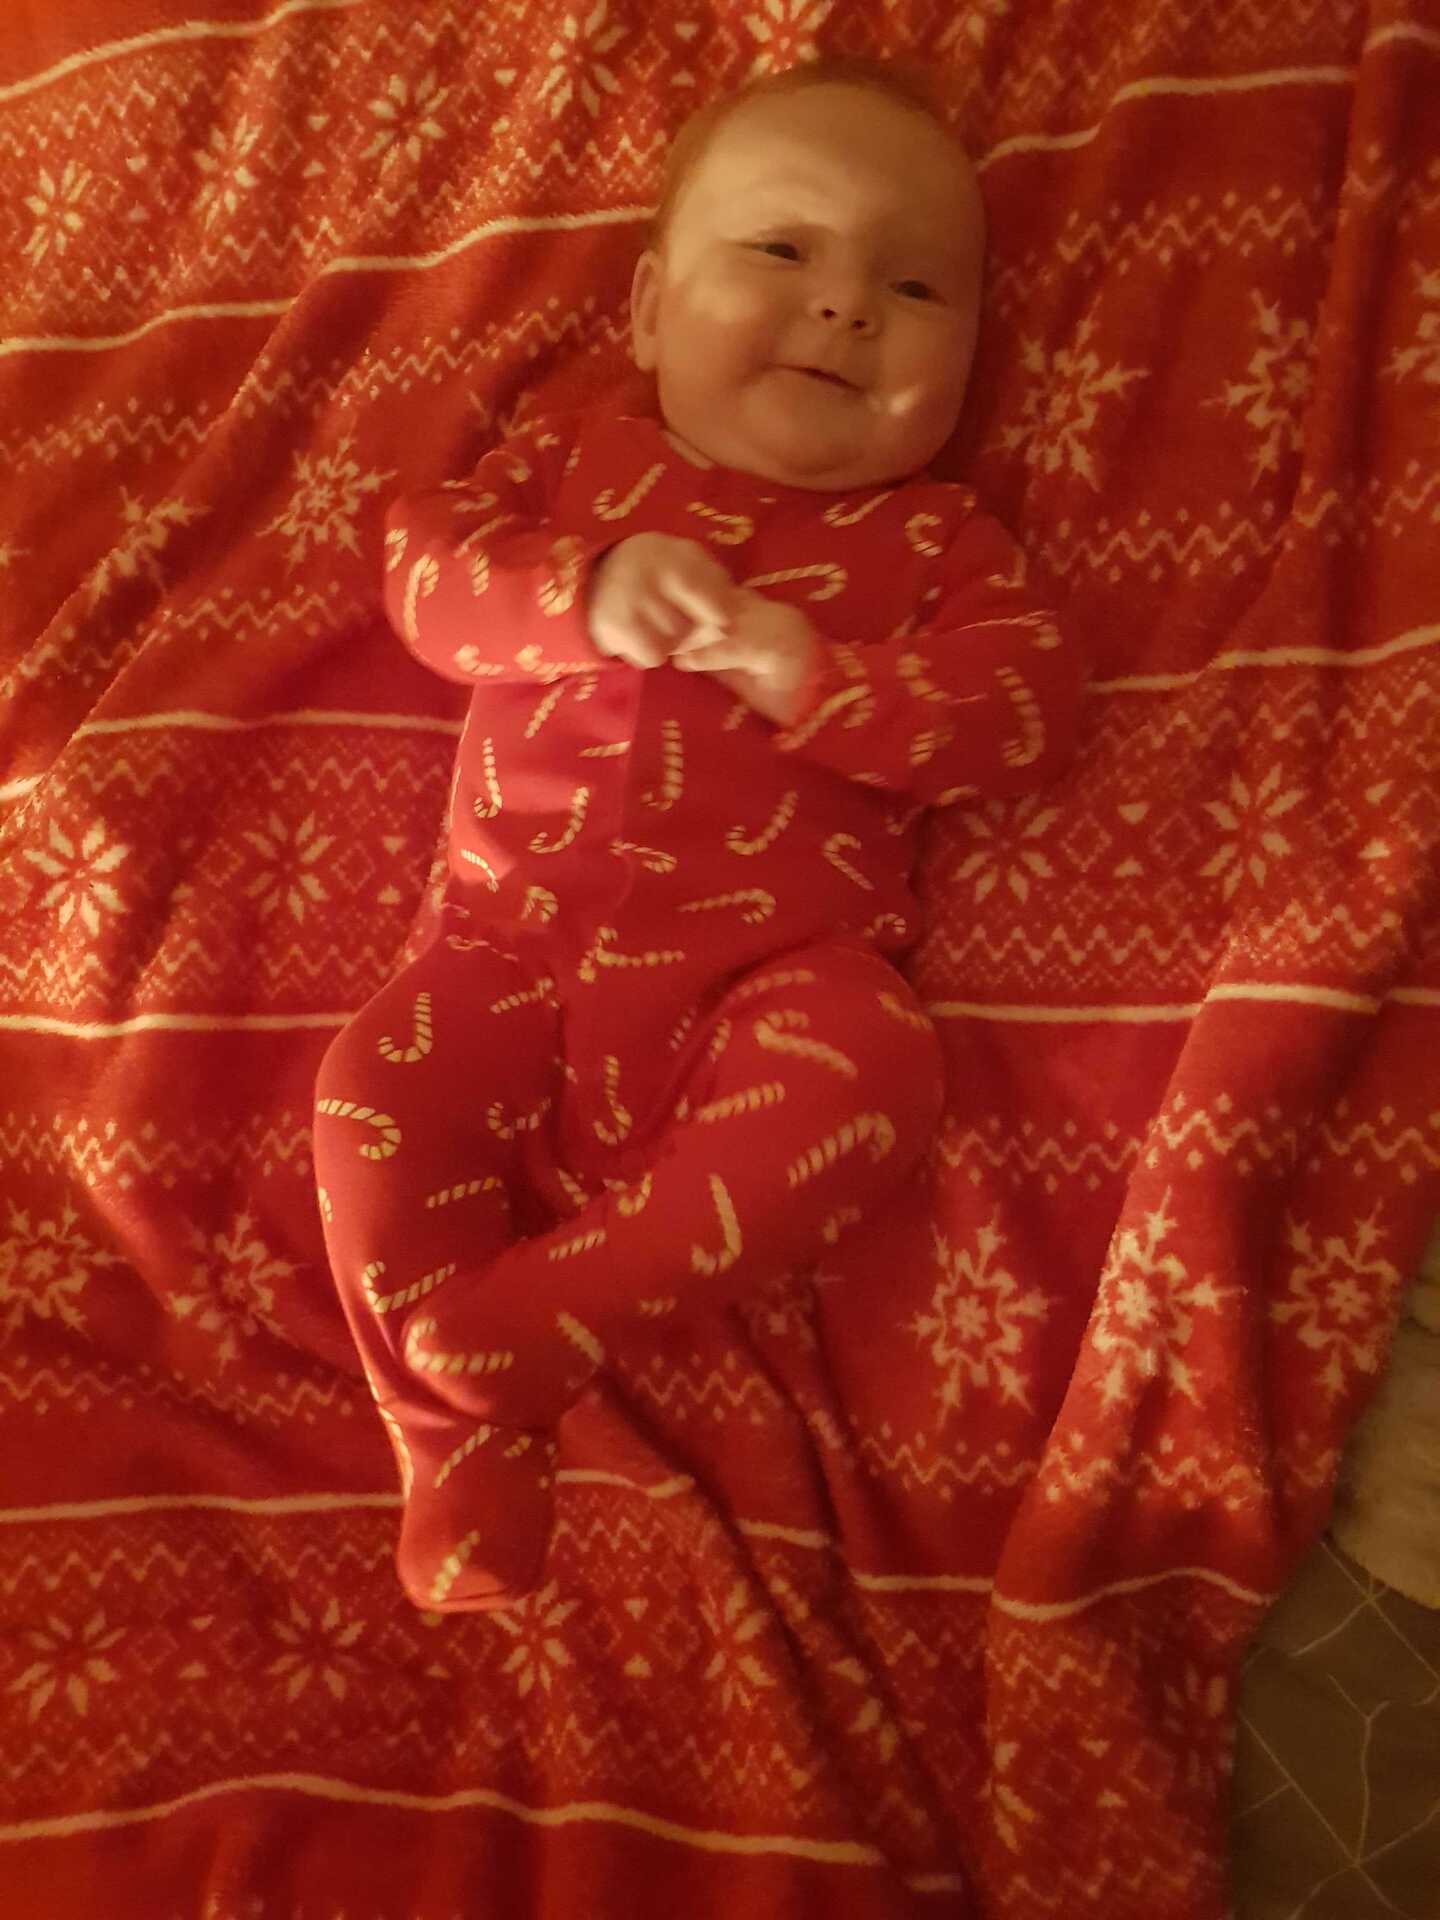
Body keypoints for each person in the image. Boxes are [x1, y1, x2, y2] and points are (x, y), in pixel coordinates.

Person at [312, 59, 1085, 1613]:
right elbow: (422, 572)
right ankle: (456, 1443)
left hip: (769, 980)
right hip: (506, 952)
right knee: (369, 1096)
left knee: (881, 1068)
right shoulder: (575, 468)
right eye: (784, 249)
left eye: (916, 287)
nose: (846, 304)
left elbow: (1023, 715)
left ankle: (555, 1313)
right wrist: (580, 593)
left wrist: (825, 682)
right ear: (653, 313)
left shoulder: (938, 541)